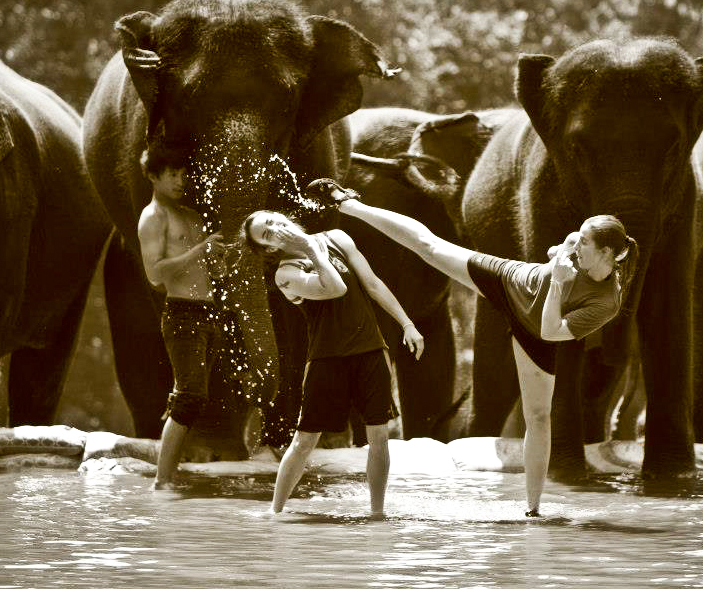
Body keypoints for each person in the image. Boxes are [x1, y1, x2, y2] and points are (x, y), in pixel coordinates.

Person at [305, 178, 638, 517]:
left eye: (584, 242)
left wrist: (558, 281)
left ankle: (533, 510)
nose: (576, 244)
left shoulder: (607, 302)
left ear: (606, 253)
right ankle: (349, 204)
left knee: (538, 417)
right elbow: (557, 251)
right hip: (511, 281)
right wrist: (556, 261)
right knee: (429, 246)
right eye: (578, 239)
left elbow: (551, 332)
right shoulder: (574, 244)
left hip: (537, 333)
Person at [242, 210, 424, 518]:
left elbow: (373, 284)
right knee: (304, 440)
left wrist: (406, 323)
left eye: (272, 220)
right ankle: (275, 514)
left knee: (379, 437)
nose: (275, 228)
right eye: (267, 234)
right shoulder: (285, 274)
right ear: (270, 249)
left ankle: (377, 514)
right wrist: (310, 247)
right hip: (327, 359)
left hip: (369, 350)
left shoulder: (338, 239)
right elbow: (335, 288)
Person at [138, 161, 229, 490]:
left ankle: (169, 469)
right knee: (189, 397)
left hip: (209, 312)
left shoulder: (192, 214)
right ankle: (161, 483)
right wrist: (200, 250)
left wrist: (216, 260)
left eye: (182, 173)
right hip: (181, 312)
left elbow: (211, 271)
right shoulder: (153, 217)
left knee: (191, 397)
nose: (180, 179)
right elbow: (155, 274)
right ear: (152, 174)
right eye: (172, 172)